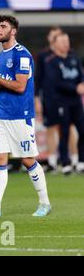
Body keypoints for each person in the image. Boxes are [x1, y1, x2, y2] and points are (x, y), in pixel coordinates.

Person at [0, 15, 51, 218]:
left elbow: (20, 86)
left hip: (20, 115)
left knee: (27, 160)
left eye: (3, 26)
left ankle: (44, 202)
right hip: (0, 115)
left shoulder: (22, 55)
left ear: (13, 31)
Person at [34, 26, 78, 171]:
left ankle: (74, 158)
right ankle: (52, 161)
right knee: (51, 128)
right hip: (50, 98)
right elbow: (38, 78)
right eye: (53, 35)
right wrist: (36, 98)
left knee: (70, 127)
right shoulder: (43, 56)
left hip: (67, 98)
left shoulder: (70, 55)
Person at [48, 32, 84, 174]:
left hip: (76, 101)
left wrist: (81, 84)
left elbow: (80, 76)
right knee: (64, 132)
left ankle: (81, 162)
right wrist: (75, 88)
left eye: (67, 41)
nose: (66, 44)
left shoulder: (74, 58)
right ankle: (65, 163)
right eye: (62, 41)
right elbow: (55, 82)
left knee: (82, 130)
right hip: (62, 101)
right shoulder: (52, 61)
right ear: (55, 44)